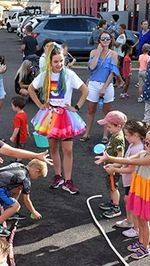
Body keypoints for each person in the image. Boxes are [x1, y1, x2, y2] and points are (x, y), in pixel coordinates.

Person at [96, 128, 150, 260]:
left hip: (147, 192)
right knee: (139, 219)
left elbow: (131, 162)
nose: (145, 145)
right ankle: (141, 241)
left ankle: (145, 247)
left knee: (144, 221)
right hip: (139, 189)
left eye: (148, 143)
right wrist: (113, 166)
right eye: (145, 142)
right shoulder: (143, 153)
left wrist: (109, 157)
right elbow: (128, 159)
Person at [28, 43, 88, 195]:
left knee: (68, 149)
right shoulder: (45, 76)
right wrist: (40, 105)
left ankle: (68, 180)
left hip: (65, 116)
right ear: (50, 62)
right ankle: (58, 176)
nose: (59, 64)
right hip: (49, 116)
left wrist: (77, 107)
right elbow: (30, 89)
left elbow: (84, 90)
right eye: (56, 61)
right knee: (53, 148)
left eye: (61, 60)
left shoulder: (69, 74)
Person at [109, 120, 148, 238]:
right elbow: (126, 161)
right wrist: (115, 165)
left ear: (136, 135)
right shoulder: (133, 145)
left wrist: (115, 170)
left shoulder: (138, 148)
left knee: (133, 204)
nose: (125, 137)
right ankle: (129, 221)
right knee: (128, 202)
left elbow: (131, 169)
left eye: (127, 135)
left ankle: (136, 228)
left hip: (134, 182)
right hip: (129, 181)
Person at [0, 159, 47, 236]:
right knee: (16, 206)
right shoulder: (25, 179)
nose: (36, 178)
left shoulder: (18, 164)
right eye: (38, 176)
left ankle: (9, 212)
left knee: (18, 189)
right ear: (37, 171)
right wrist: (34, 212)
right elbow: (26, 200)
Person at [79, 31, 119, 143]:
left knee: (106, 111)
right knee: (91, 109)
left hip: (107, 84)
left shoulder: (113, 54)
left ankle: (105, 135)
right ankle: (87, 133)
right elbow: (91, 67)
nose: (105, 41)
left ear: (111, 40)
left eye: (107, 39)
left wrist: (104, 88)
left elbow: (113, 72)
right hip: (94, 83)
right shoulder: (93, 52)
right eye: (103, 39)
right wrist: (98, 52)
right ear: (99, 41)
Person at [95, 111, 127, 219]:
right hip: (110, 167)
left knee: (114, 187)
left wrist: (114, 167)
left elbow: (120, 156)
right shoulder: (115, 135)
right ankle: (113, 202)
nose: (107, 129)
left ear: (118, 126)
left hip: (113, 169)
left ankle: (116, 207)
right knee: (111, 186)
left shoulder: (118, 139)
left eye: (109, 126)